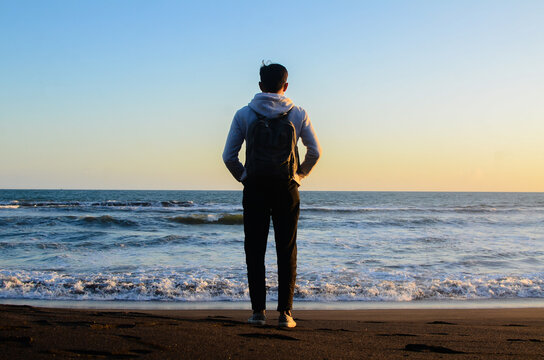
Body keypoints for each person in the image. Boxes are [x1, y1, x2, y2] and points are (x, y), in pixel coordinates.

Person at [222, 63, 321, 328]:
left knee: (255, 249)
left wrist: (244, 177)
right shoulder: (298, 113)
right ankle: (285, 314)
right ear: (285, 86)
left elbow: (228, 156)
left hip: (255, 188)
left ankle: (257, 313)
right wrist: (298, 176)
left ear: (260, 86)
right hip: (286, 188)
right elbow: (315, 152)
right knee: (286, 249)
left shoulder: (244, 114)